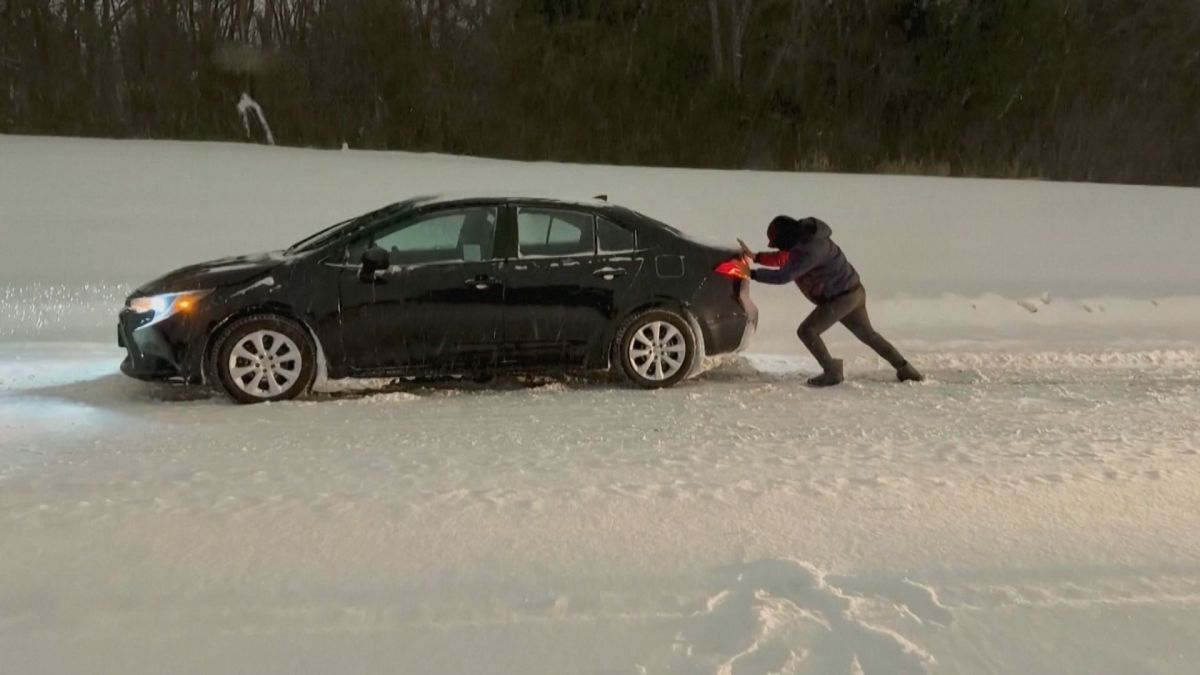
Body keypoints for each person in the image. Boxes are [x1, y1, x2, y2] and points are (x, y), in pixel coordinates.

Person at [731, 215, 924, 387]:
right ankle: (905, 368)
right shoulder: (804, 239)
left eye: (774, 241)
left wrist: (751, 273)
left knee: (807, 331)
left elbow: (784, 275)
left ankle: (832, 371)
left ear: (787, 238)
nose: (770, 245)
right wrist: (756, 258)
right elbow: (785, 258)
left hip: (842, 298)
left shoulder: (810, 250)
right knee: (868, 335)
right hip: (852, 292)